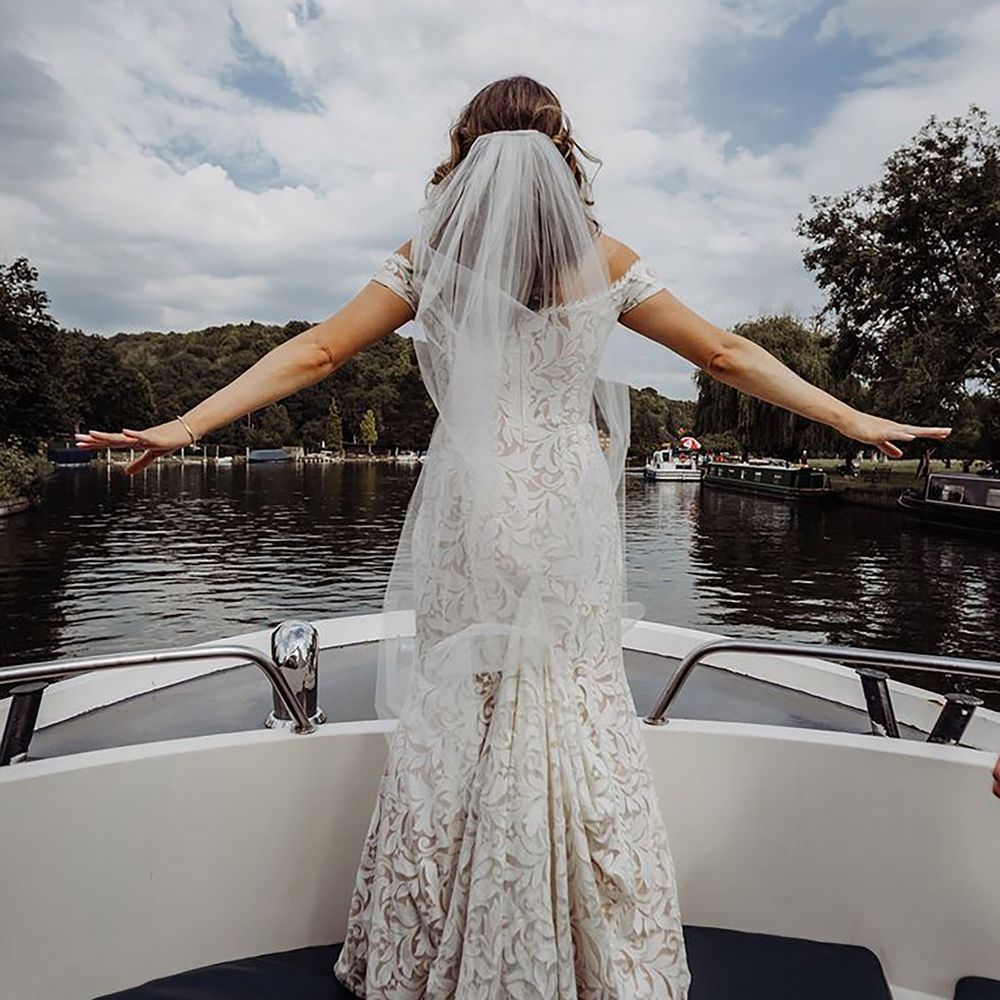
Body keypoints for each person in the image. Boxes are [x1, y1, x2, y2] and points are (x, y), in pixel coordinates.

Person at [75, 76, 952, 999]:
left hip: (466, 505)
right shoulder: (604, 260)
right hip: (567, 501)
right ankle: (579, 940)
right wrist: (849, 418)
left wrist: (188, 424)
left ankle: (437, 941)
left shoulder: (432, 256)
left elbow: (318, 353)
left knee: (465, 699)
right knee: (569, 693)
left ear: (466, 147)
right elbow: (727, 356)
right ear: (562, 150)